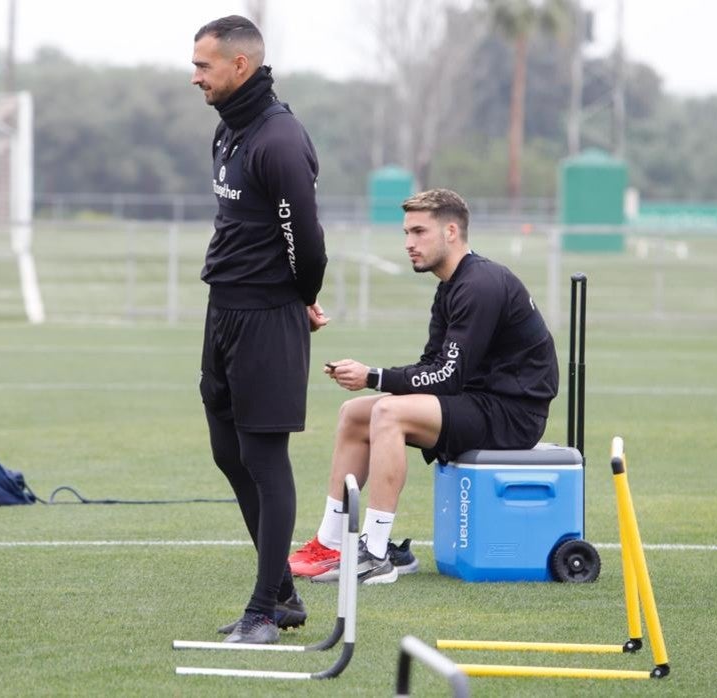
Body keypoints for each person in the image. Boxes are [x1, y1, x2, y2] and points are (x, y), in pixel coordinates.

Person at [289, 188, 558, 585]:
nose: (408, 244)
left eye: (418, 232)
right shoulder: (450, 285)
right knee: (354, 415)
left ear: (451, 232)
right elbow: (434, 365)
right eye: (406, 233)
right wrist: (374, 380)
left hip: (513, 414)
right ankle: (332, 542)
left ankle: (376, 553)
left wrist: (373, 376)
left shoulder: (480, 284)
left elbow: (447, 376)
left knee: (386, 412)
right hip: (477, 400)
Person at [190, 15, 328, 644]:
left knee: (266, 459)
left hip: (268, 319)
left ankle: (264, 612)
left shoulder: (280, 139)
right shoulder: (228, 131)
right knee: (228, 453)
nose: (195, 76)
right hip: (223, 310)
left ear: (239, 66)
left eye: (204, 66)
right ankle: (285, 596)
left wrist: (301, 299)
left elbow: (309, 242)